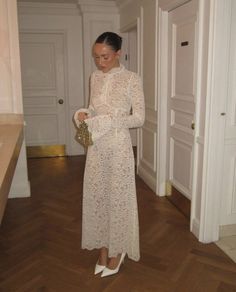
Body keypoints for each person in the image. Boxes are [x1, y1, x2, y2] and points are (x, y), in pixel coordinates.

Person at [74, 31, 145, 277]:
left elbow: (139, 118)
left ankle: (118, 249)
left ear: (118, 54)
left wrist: (108, 121)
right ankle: (103, 248)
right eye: (96, 57)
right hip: (96, 148)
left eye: (105, 57)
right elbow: (92, 108)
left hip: (118, 147)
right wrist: (83, 114)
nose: (100, 63)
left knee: (118, 199)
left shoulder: (131, 79)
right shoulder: (94, 77)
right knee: (98, 198)